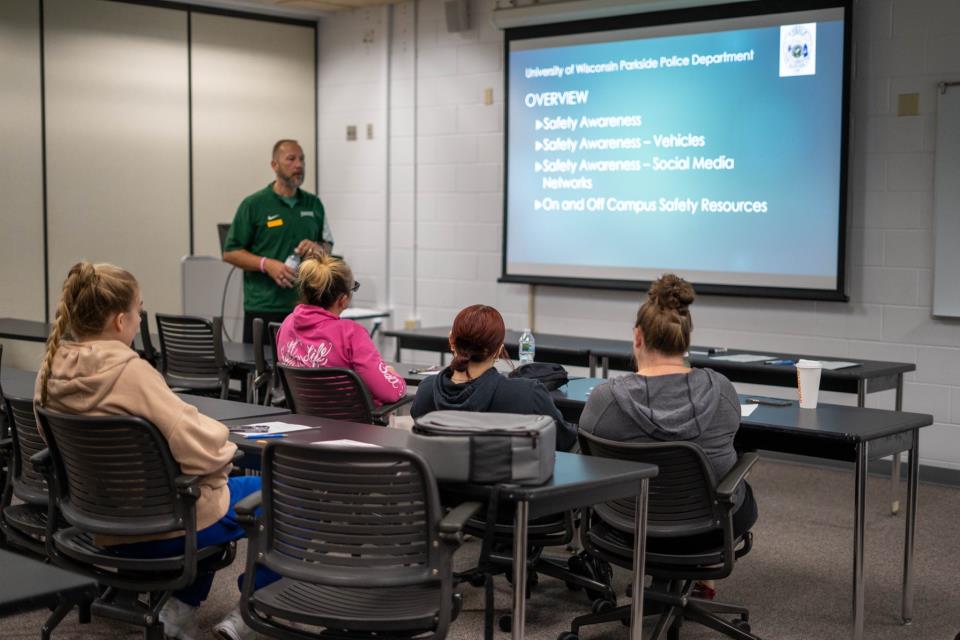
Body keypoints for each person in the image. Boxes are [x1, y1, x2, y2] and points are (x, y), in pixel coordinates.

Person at [36, 262, 272, 640]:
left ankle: (181, 610)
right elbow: (202, 452)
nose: (138, 319)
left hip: (93, 526)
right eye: (138, 311)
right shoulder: (131, 372)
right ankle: (251, 611)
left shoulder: (51, 369)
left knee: (200, 489)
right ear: (118, 321)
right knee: (282, 495)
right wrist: (221, 437)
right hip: (159, 530)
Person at [578, 274, 758, 599]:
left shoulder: (605, 401)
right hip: (708, 531)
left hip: (624, 526)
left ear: (637, 337)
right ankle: (700, 578)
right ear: (686, 341)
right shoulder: (722, 392)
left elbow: (587, 464)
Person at [410, 304, 576, 452]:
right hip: (507, 484)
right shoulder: (528, 394)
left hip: (441, 486)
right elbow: (564, 441)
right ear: (498, 350)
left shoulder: (426, 390)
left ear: (452, 342)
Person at [223, 139, 334, 343]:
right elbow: (230, 252)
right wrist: (266, 265)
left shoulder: (314, 204)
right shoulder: (254, 204)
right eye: (291, 159)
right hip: (264, 307)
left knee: (301, 373)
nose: (298, 165)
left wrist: (318, 248)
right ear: (274, 165)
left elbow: (327, 245)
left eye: (302, 159)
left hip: (306, 308)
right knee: (263, 370)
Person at [275, 255, 406, 405]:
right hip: (351, 424)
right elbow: (388, 393)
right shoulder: (351, 333)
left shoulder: (287, 324)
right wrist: (397, 380)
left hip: (303, 419)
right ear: (343, 299)